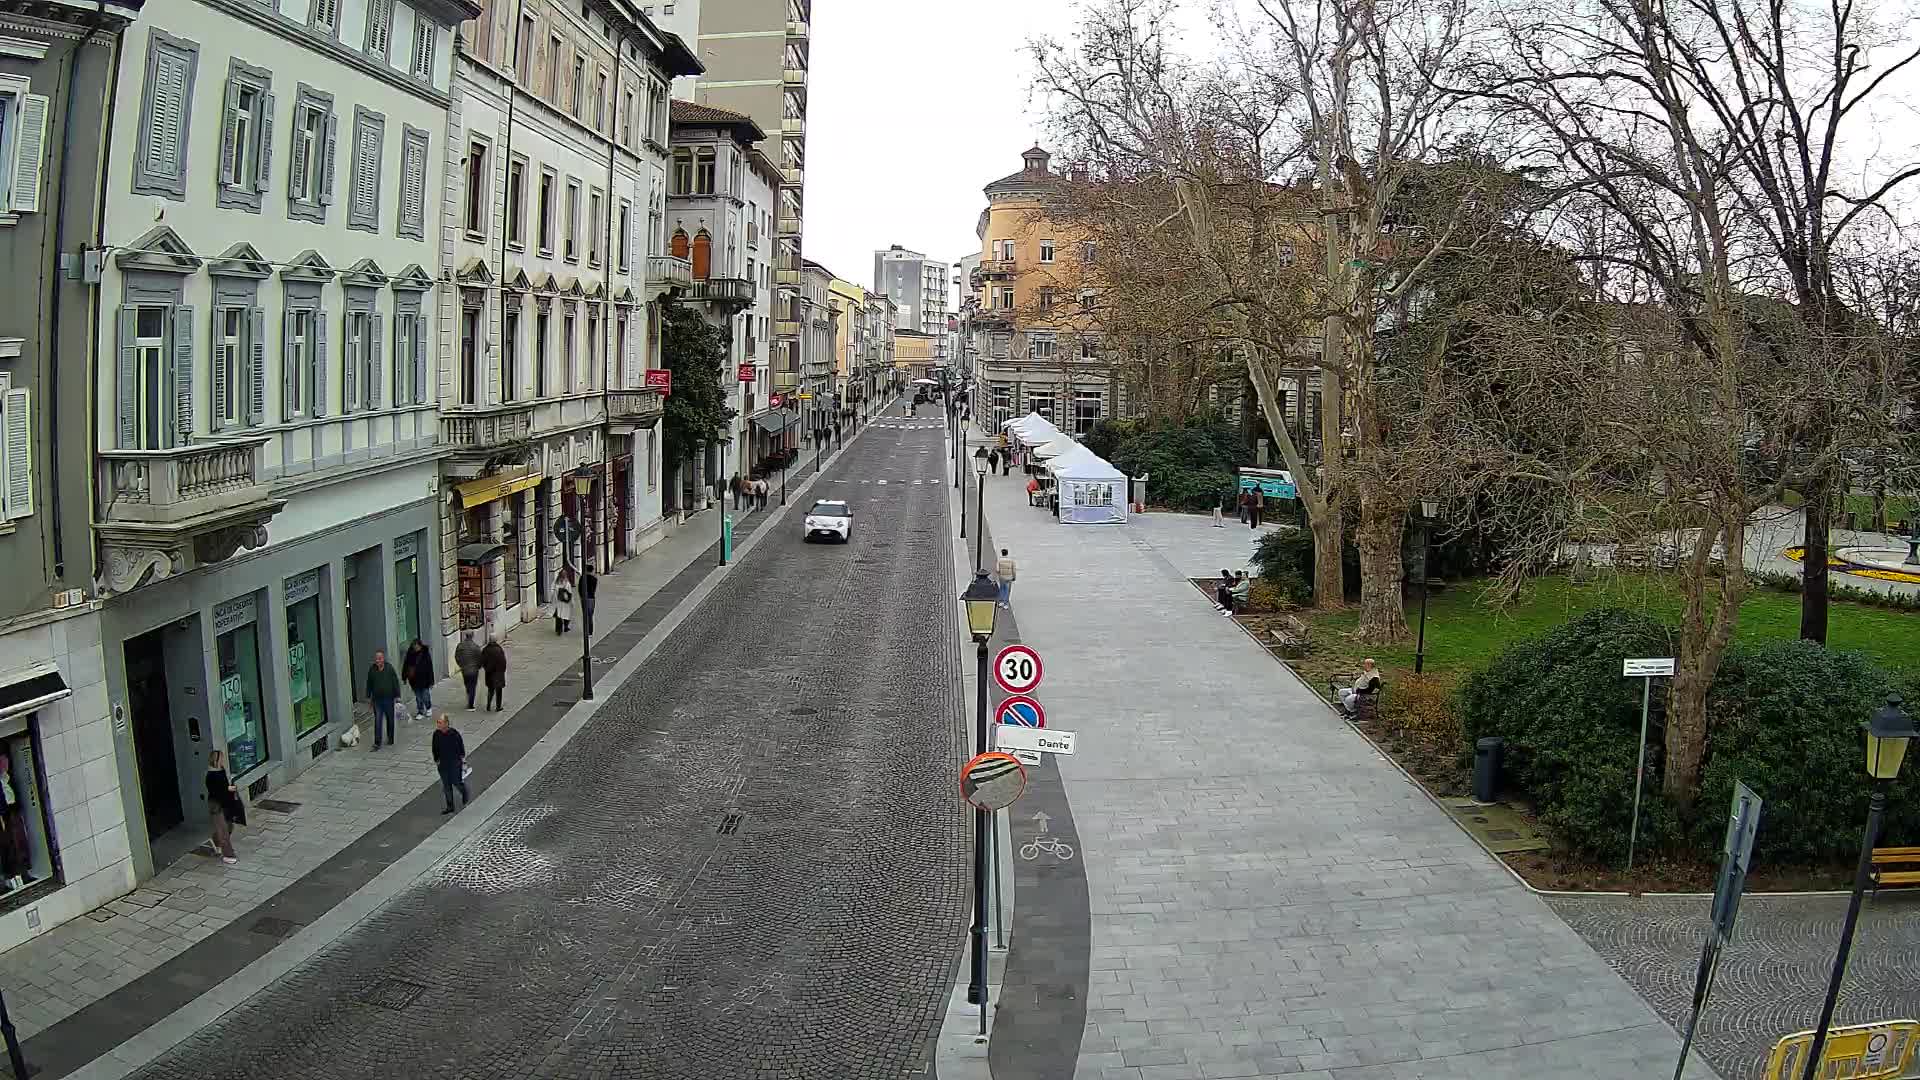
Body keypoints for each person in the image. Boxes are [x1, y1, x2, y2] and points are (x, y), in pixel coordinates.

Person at [431, 713, 471, 815]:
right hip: (443, 764)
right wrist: (437, 760)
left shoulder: (454, 734)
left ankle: (464, 791)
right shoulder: (436, 734)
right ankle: (450, 806)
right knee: (446, 786)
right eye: (438, 722)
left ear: (446, 723)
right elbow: (434, 748)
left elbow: (461, 749)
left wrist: (463, 761)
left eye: (440, 722)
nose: (438, 724)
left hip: (454, 763)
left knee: (456, 782)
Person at [205, 751, 240, 864]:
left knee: (229, 826)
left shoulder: (221, 769)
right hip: (216, 804)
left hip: (225, 802)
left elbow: (224, 785)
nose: (223, 760)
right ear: (216, 760)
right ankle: (228, 855)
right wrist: (228, 789)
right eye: (221, 758)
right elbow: (216, 792)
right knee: (223, 829)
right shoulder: (210, 775)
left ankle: (216, 841)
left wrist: (229, 789)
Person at [365, 650, 400, 750]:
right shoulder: (372, 669)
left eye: (379, 658)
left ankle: (390, 738)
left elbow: (395, 682)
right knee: (378, 720)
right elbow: (369, 683)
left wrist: (397, 696)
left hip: (389, 699)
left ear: (383, 659)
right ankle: (377, 743)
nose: (377, 660)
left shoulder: (389, 668)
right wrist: (368, 696)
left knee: (390, 720)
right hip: (377, 700)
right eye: (376, 659)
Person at [402, 638, 434, 720]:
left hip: (424, 679)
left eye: (417, 646)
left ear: (420, 645)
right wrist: (404, 677)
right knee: (418, 697)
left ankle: (428, 707)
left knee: (425, 695)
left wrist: (431, 681)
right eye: (414, 646)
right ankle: (420, 711)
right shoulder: (410, 654)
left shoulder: (425, 654)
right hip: (414, 680)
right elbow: (406, 666)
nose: (415, 648)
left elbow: (429, 667)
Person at [454, 633, 483, 710]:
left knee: (467, 685)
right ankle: (471, 704)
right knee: (473, 686)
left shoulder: (460, 646)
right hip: (474, 670)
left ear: (465, 636)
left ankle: (469, 696)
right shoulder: (476, 647)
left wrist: (461, 665)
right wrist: (478, 666)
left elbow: (457, 656)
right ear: (472, 636)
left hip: (465, 670)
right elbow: (480, 658)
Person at [480, 636, 508, 712]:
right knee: (499, 691)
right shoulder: (499, 649)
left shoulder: (485, 649)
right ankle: (498, 707)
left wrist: (486, 668)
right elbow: (503, 661)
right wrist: (502, 670)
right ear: (496, 640)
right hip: (498, 674)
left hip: (489, 674)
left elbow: (482, 661)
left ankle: (488, 705)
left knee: (490, 690)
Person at [554, 567, 575, 635]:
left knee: (559, 615)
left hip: (559, 601)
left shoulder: (556, 583)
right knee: (566, 614)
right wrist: (572, 602)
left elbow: (554, 592)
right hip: (565, 602)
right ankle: (566, 627)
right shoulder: (567, 583)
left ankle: (559, 629)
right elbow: (570, 593)